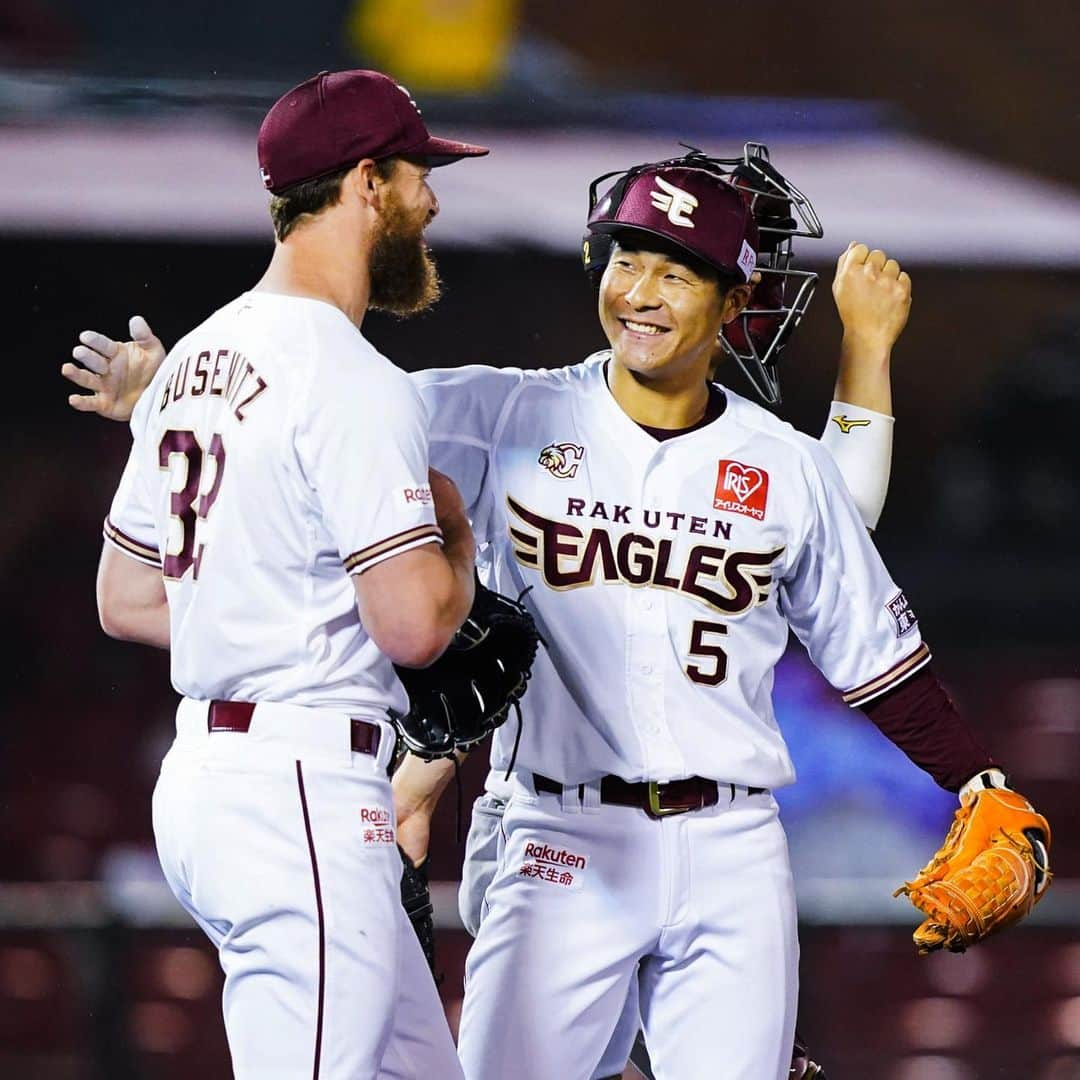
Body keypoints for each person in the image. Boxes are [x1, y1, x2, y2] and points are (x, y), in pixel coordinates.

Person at [68, 158, 903, 1080]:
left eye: (683, 263)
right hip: (526, 812)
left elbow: (839, 516)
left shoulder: (758, 452)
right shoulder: (518, 405)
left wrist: (869, 351)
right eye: (638, 256)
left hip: (659, 831)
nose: (650, 284)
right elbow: (315, 420)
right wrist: (170, 396)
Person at [86, 68, 489, 1078]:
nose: (431, 200)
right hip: (300, 791)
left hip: (214, 783)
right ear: (366, 183)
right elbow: (413, 630)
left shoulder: (191, 361)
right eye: (416, 176)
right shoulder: (350, 375)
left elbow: (127, 597)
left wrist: (272, 605)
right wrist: (459, 543)